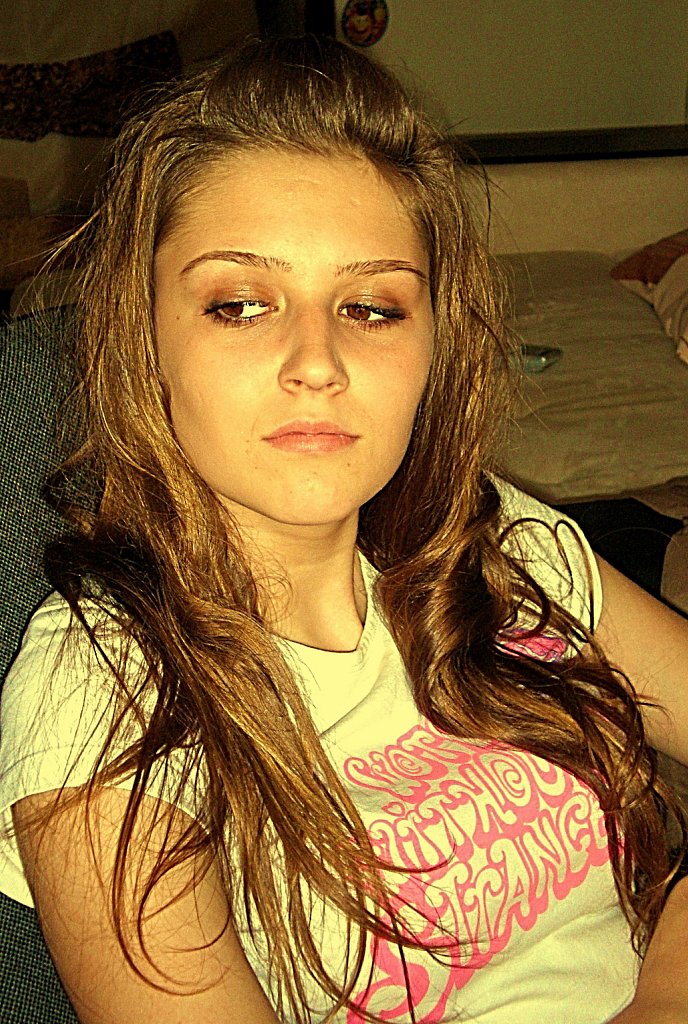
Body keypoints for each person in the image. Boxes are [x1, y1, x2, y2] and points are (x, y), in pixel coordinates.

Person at [1, 34, 687, 1024]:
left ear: (433, 343)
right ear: (144, 340)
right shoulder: (104, 691)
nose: (316, 361)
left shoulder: (495, 540)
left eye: (370, 308)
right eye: (240, 305)